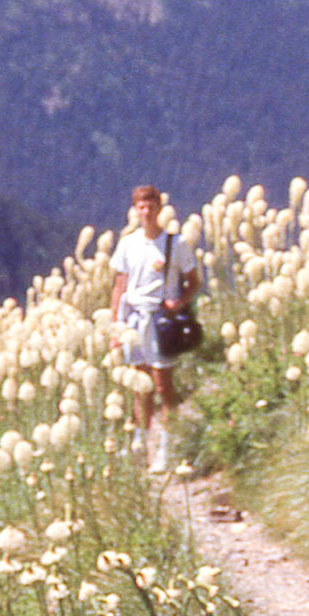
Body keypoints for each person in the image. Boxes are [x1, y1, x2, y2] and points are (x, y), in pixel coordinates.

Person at [110, 185, 200, 464]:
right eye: (141, 207)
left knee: (163, 386)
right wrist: (116, 328)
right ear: (135, 210)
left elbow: (194, 282)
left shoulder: (177, 244)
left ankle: (167, 446)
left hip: (162, 322)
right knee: (140, 385)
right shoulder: (127, 243)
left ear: (160, 208)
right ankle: (141, 444)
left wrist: (180, 302)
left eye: (151, 206)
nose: (146, 212)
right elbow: (119, 286)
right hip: (135, 320)